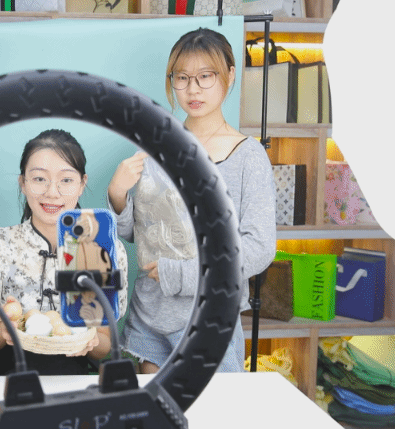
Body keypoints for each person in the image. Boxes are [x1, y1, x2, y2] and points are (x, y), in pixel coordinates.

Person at [107, 28, 276, 374]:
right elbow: (141, 234)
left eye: (205, 76)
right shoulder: (157, 144)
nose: (193, 89)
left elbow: (259, 248)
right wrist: (117, 195)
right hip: (150, 313)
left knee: (213, 406)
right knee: (153, 405)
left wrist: (180, 273)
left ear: (230, 75)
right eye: (182, 78)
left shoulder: (248, 156)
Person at [0, 129, 128, 375]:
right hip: (6, 380)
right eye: (39, 178)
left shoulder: (105, 250)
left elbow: (105, 345)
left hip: (74, 380)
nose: (52, 192)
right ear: (23, 183)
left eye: (66, 180)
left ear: (82, 184)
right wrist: (2, 329)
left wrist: (90, 340)